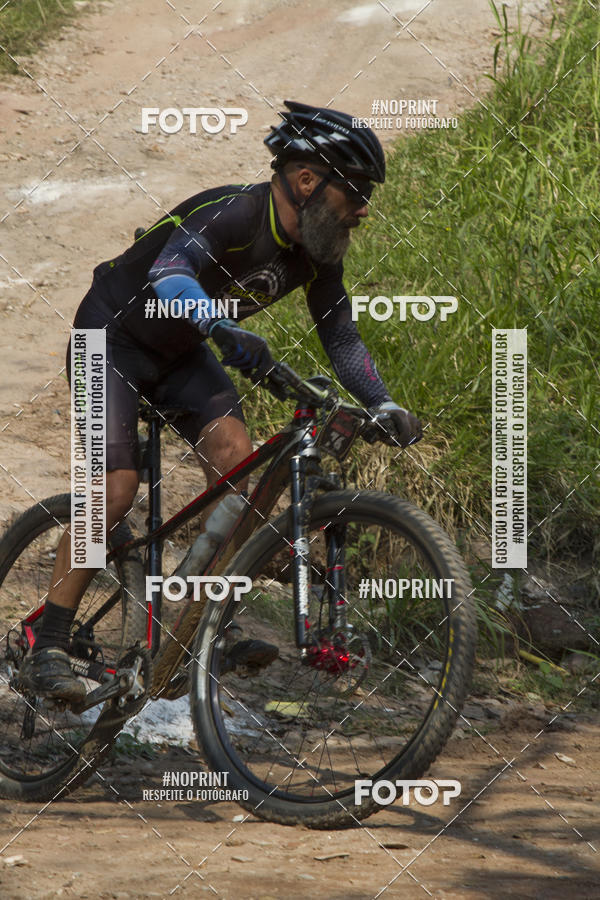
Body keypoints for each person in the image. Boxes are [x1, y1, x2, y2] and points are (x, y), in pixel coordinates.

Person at [20, 100, 422, 702]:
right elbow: (171, 273)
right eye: (357, 190)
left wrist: (382, 402)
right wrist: (218, 323)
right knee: (116, 488)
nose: (364, 209)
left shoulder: (317, 251)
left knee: (243, 471)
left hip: (183, 353)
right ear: (307, 180)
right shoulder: (235, 212)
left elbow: (340, 333)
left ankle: (201, 625)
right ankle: (45, 642)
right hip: (112, 336)